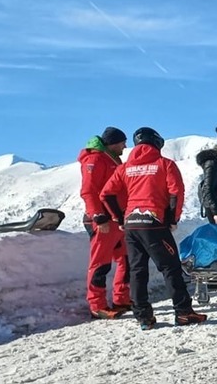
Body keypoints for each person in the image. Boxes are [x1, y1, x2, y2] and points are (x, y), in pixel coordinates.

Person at [101, 127, 206, 330]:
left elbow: (106, 194)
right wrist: (172, 218)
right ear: (156, 142)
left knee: (137, 270)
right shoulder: (165, 164)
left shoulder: (124, 168)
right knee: (170, 268)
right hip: (154, 223)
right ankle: (183, 312)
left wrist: (119, 218)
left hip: (132, 223)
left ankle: (143, 318)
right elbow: (176, 191)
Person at [77, 126, 131, 319]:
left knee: (126, 260)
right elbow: (88, 190)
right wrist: (98, 216)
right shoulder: (95, 159)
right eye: (123, 142)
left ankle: (121, 299)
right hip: (102, 220)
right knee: (101, 263)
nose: (125, 146)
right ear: (114, 143)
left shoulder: (113, 159)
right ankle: (97, 305)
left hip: (116, 219)